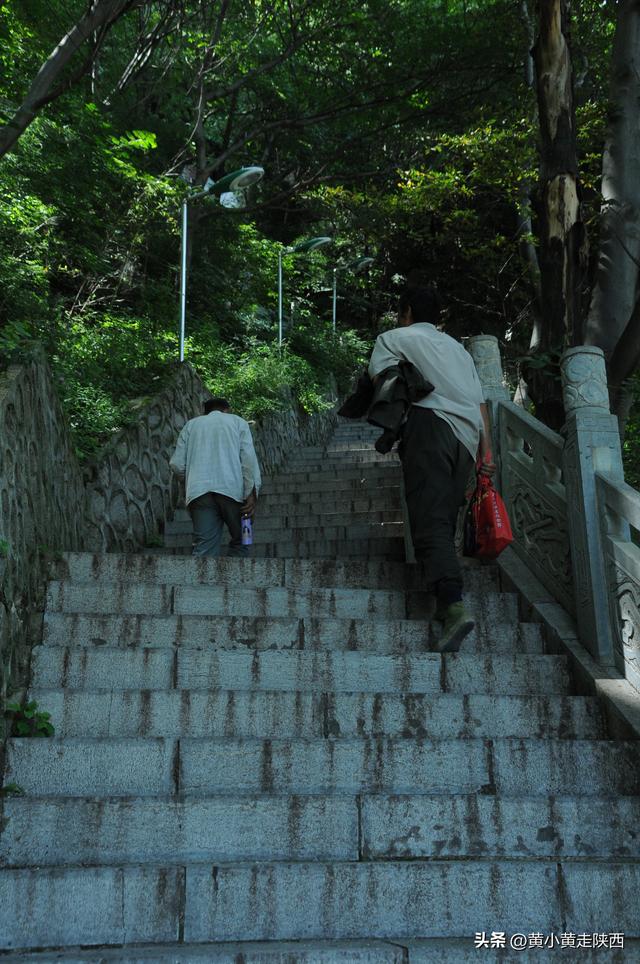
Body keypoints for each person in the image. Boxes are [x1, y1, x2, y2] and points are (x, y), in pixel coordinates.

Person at [368, 285, 495, 653]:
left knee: (430, 519)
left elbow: (383, 384)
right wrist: (487, 454)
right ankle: (448, 594)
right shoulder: (458, 349)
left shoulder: (393, 338)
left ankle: (452, 606)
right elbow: (480, 402)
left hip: (430, 427)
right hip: (467, 439)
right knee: (445, 515)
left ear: (406, 311)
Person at [169, 397, 261, 557]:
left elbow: (177, 464)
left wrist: (191, 480)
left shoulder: (191, 425)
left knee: (204, 548)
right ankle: (240, 576)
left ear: (205, 412)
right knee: (244, 540)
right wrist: (251, 494)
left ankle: (204, 581)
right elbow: (248, 460)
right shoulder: (238, 422)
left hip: (199, 493)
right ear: (227, 410)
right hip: (234, 492)